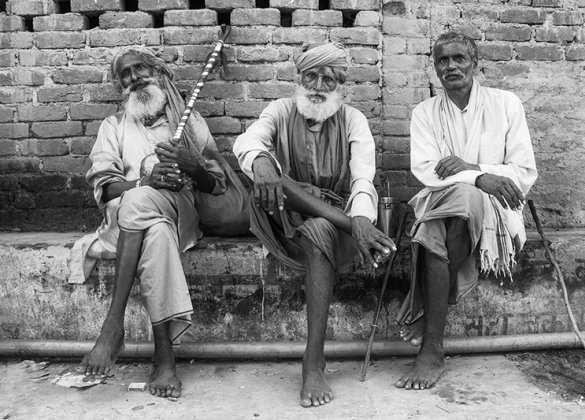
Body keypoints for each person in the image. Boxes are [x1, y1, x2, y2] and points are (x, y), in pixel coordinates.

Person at [233, 42, 397, 408]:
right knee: (273, 173)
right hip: (283, 212)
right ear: (300, 79)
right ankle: (347, 225)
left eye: (328, 77)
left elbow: (363, 181)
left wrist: (359, 217)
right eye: (311, 76)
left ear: (340, 84)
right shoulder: (279, 110)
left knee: (320, 229)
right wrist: (259, 159)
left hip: (334, 220)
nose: (318, 84)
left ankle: (313, 360)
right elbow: (248, 140)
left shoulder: (354, 120)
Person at [70, 47, 227, 398]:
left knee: (146, 211)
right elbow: (105, 186)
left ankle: (113, 325)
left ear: (157, 73)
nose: (134, 77)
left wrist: (191, 165)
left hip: (180, 216)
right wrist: (145, 182)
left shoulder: (188, 122)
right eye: (125, 73)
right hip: (128, 225)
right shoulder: (112, 126)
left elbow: (218, 184)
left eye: (140, 68)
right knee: (151, 226)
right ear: (119, 86)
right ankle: (165, 357)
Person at [395, 32, 538, 390]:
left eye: (459, 58)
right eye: (442, 61)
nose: (451, 66)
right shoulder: (424, 113)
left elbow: (523, 171)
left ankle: (430, 340)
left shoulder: (506, 104)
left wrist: (470, 172)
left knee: (457, 209)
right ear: (435, 68)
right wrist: (478, 176)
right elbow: (425, 170)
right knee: (455, 206)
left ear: (476, 63)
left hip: (496, 203)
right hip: (441, 200)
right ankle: (432, 342)